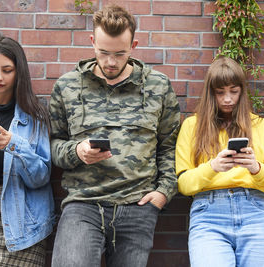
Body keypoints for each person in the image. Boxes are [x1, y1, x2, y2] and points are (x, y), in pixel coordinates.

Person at [49, 4, 180, 267]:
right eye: (103, 52)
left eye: (120, 53)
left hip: (138, 206)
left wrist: (163, 192)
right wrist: (76, 152)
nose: (110, 62)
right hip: (83, 204)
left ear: (134, 45)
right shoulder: (67, 86)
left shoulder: (158, 86)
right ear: (92, 42)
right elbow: (53, 144)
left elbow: (171, 147)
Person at [176, 57, 264, 267]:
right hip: (208, 214)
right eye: (220, 92)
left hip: (256, 211)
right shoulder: (192, 126)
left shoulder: (260, 125)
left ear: (242, 91)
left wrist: (256, 168)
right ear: (211, 93)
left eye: (234, 91)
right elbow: (183, 184)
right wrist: (212, 167)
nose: (227, 99)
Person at [0, 36, 55, 266]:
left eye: (7, 70)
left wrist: (14, 145)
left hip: (23, 220)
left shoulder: (36, 116)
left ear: (19, 72)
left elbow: (40, 178)